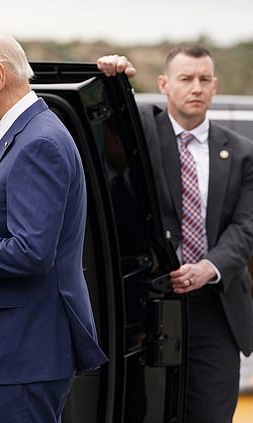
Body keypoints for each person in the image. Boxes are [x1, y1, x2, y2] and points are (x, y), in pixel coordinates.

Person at [0, 28, 107, 423]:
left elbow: (31, 252)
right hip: (16, 350)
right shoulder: (23, 135)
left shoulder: (37, 143)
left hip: (25, 354)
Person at [97, 45, 253, 423]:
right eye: (186, 79)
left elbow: (245, 227)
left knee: (212, 414)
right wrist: (112, 78)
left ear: (214, 86)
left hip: (216, 306)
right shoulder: (145, 134)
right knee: (146, 410)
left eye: (204, 79)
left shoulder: (242, 152)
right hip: (150, 305)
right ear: (165, 84)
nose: (196, 87)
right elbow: (108, 127)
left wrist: (209, 267)